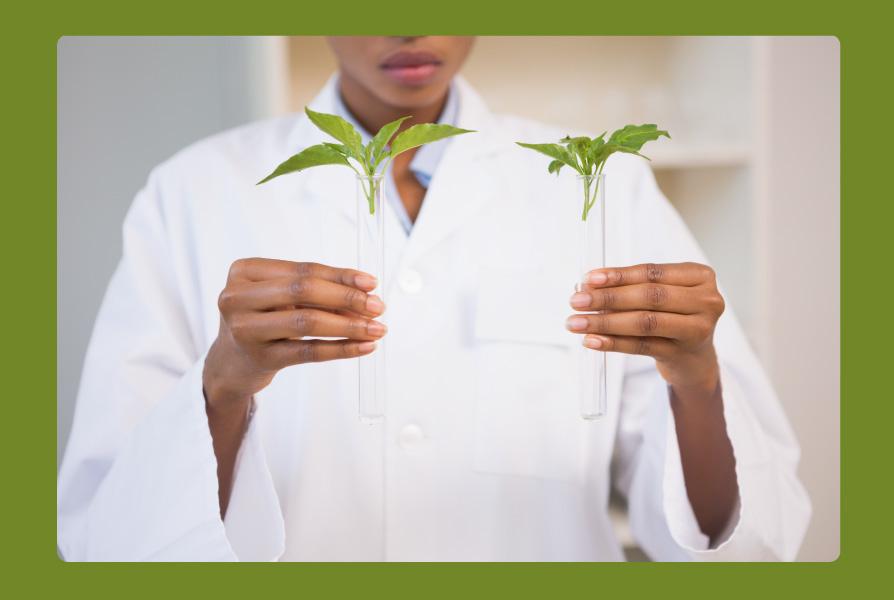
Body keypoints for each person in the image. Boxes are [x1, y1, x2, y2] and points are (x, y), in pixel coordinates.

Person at [57, 36, 811, 561]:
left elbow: (742, 544)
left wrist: (698, 379)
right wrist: (221, 387)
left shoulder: (604, 188)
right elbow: (112, 541)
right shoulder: (195, 192)